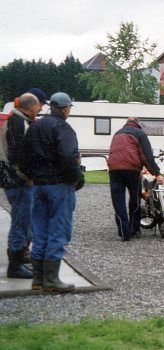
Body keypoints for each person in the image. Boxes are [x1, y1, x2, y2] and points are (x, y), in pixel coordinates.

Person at [21, 92, 84, 292]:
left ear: (51, 106)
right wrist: (76, 178)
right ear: (66, 108)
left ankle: (38, 279)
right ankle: (52, 279)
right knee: (58, 230)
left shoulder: (34, 127)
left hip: (38, 185)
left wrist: (32, 175)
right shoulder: (64, 128)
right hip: (59, 184)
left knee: (40, 231)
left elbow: (23, 157)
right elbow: (68, 156)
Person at [0, 93, 40, 279]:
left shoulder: (16, 120)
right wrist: (28, 177)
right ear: (31, 108)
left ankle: (20, 260)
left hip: (15, 179)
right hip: (18, 181)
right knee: (20, 223)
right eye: (38, 107)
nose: (39, 110)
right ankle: (15, 266)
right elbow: (16, 156)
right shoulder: (18, 123)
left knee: (24, 221)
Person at [107, 117, 164, 241]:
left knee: (118, 201)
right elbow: (146, 156)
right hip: (132, 169)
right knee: (134, 198)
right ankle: (134, 229)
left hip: (114, 169)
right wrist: (157, 173)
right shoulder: (140, 133)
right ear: (138, 124)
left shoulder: (117, 133)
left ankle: (124, 231)